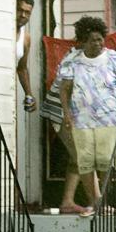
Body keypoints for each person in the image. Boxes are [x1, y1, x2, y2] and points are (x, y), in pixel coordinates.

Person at [58, 16, 116, 217]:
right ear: (83, 41)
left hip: (108, 117)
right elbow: (65, 88)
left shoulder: (112, 57)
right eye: (93, 40)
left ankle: (103, 200)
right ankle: (94, 203)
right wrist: (67, 114)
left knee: (104, 159)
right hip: (81, 118)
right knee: (86, 161)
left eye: (100, 39)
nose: (98, 43)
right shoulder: (72, 59)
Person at [40, 43, 93, 214]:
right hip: (62, 112)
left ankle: (67, 202)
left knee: (77, 156)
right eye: (93, 40)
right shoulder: (74, 60)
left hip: (74, 113)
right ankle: (97, 201)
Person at [16, 0, 36, 112]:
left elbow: (21, 68)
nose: (23, 15)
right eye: (20, 10)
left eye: (27, 12)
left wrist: (29, 94)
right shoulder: (2, 28)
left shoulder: (26, 37)